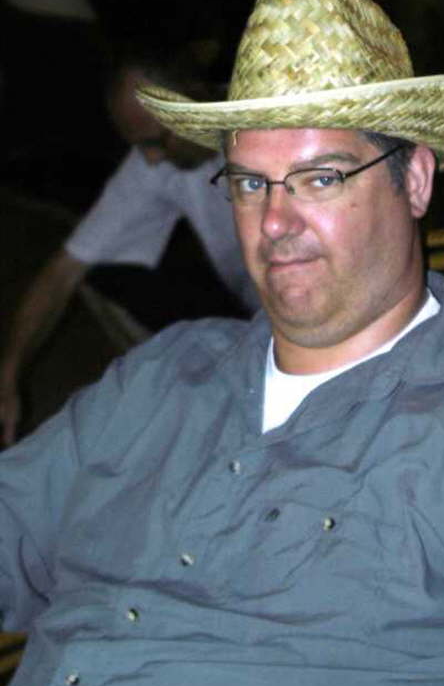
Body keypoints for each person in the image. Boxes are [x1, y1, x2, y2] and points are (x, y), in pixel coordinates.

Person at [1, 0, 444, 686]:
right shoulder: (160, 377)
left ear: (416, 179)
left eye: (320, 177)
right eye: (251, 183)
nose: (275, 221)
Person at [0, 45, 258, 446]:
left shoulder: (273, 122)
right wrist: (8, 375)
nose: (151, 160)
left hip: (333, 300)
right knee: (102, 275)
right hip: (257, 308)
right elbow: (64, 269)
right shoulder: (155, 164)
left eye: (156, 141)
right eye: (139, 146)